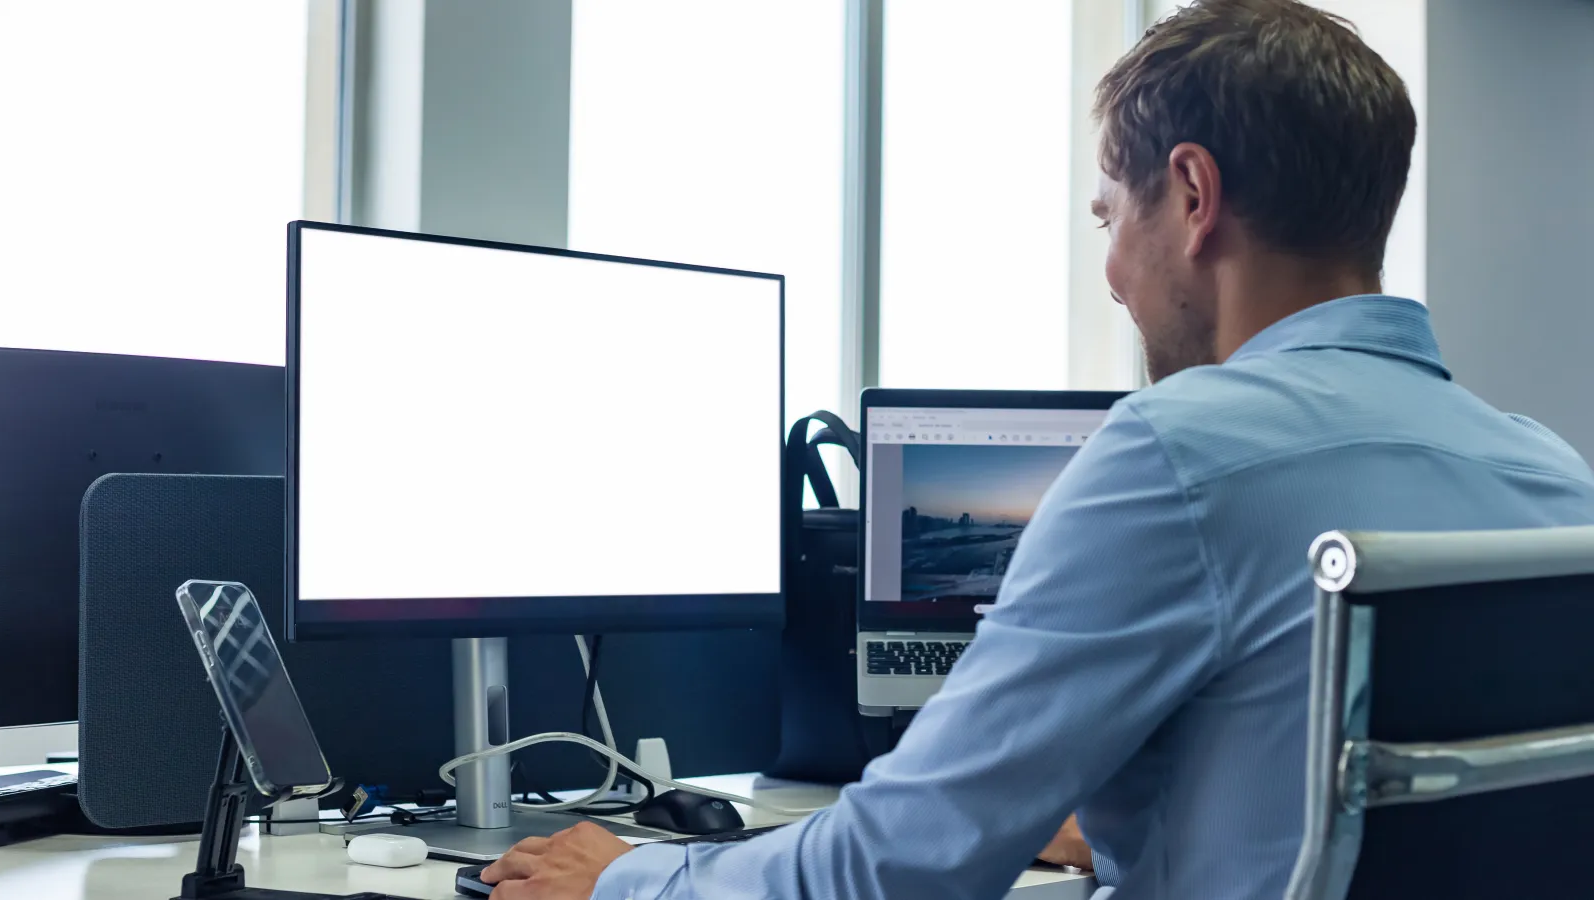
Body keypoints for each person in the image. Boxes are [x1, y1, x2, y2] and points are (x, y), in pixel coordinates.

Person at [481, 1, 1594, 897]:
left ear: (1193, 196)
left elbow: (895, 866)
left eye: (1111, 218)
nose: (1112, 276)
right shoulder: (1550, 474)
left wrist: (633, 876)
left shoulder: (1174, 451)